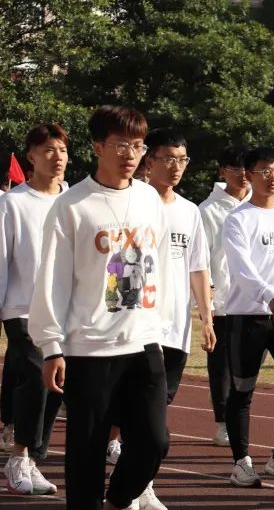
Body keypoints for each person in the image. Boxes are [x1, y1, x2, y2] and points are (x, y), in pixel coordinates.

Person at [29, 105, 171, 510]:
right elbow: (52, 280)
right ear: (97, 146)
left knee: (154, 442)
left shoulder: (148, 199)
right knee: (86, 454)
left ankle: (120, 500)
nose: (131, 154)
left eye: (139, 146)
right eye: (121, 145)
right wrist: (52, 346)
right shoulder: (72, 206)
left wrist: (160, 324)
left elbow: (156, 265)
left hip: (143, 341)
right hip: (88, 348)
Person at [130, 128, 216, 509]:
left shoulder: (189, 211)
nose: (176, 166)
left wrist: (207, 318)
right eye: (168, 158)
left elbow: (198, 268)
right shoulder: (133, 202)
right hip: (137, 328)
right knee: (143, 420)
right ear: (150, 161)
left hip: (175, 330)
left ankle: (139, 486)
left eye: (182, 159)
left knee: (157, 413)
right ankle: (132, 489)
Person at [221, 146, 274, 488]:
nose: (272, 177)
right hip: (248, 315)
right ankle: (241, 461)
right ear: (249, 175)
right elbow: (241, 268)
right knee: (243, 390)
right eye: (264, 171)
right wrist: (267, 295)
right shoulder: (238, 219)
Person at [1, 124, 69, 495]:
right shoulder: (13, 203)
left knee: (56, 384)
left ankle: (32, 459)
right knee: (35, 374)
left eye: (61, 150)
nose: (56, 157)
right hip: (23, 307)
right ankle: (18, 456)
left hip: (63, 312)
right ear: (31, 156)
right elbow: (1, 259)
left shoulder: (74, 200)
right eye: (47, 150)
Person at [198, 146, 250, 446]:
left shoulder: (258, 206)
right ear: (222, 171)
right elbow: (202, 259)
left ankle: (239, 417)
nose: (241, 174)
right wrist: (207, 300)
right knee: (222, 367)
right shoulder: (209, 210)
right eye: (234, 167)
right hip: (222, 301)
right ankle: (222, 422)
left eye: (246, 168)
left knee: (246, 365)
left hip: (252, 301)